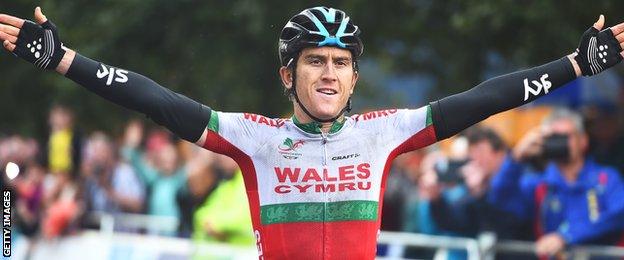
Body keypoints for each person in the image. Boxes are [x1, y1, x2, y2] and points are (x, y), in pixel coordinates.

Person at [2, 6, 624, 259]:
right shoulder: (255, 139)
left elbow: (489, 98)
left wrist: (575, 65)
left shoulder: (387, 133)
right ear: (287, 73)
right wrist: (64, 60)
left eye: (341, 63)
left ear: (355, 79)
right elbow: (153, 99)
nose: (329, 73)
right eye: (314, 61)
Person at [489, 108, 624, 258]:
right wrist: (516, 158)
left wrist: (566, 236)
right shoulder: (540, 185)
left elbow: (619, 214)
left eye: (565, 136)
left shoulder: (605, 178)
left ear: (583, 140)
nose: (560, 143)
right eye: (553, 137)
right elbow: (500, 198)